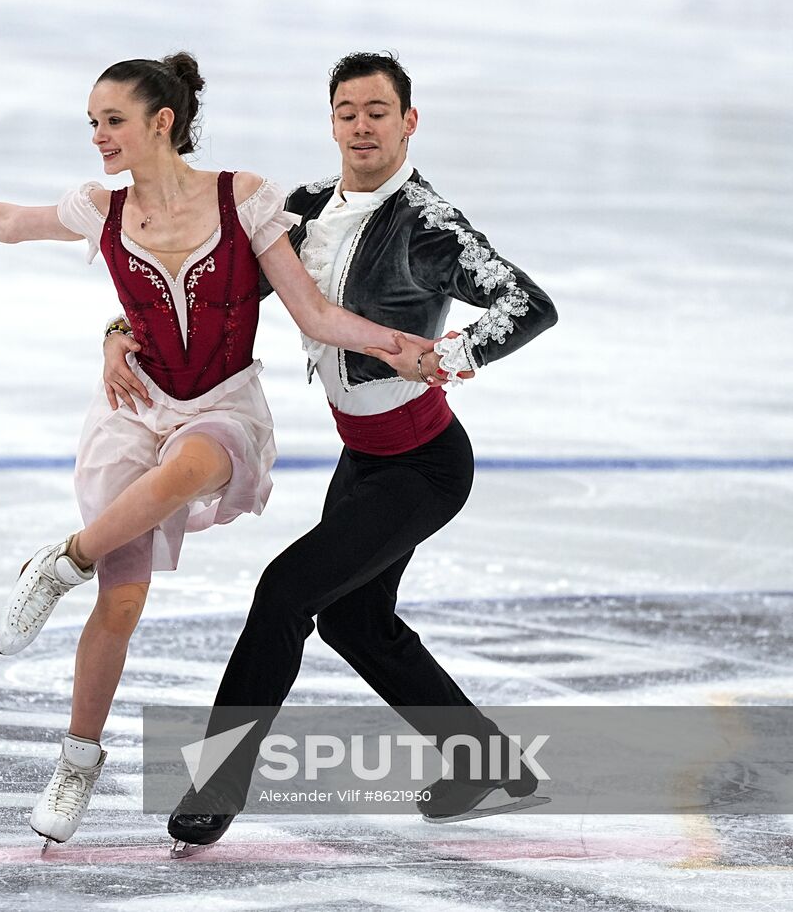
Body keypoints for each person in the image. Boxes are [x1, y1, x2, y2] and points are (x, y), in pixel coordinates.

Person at [0, 52, 436, 848]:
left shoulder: (244, 198)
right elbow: (16, 222)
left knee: (194, 464)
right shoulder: (103, 209)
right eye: (92, 123)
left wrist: (398, 345)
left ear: (162, 123)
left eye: (113, 121)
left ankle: (60, 562)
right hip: (135, 410)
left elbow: (314, 313)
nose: (99, 136)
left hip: (222, 408)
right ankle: (77, 761)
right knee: (121, 602)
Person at [101, 52, 558, 852]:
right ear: (332, 121)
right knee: (353, 618)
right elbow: (209, 285)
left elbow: (530, 304)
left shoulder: (428, 223)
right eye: (347, 111)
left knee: (285, 593)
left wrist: (448, 356)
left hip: (423, 464)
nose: (362, 125)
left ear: (409, 122)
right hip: (365, 460)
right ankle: (482, 758)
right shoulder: (303, 209)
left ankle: (217, 789)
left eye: (379, 111)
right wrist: (119, 334)